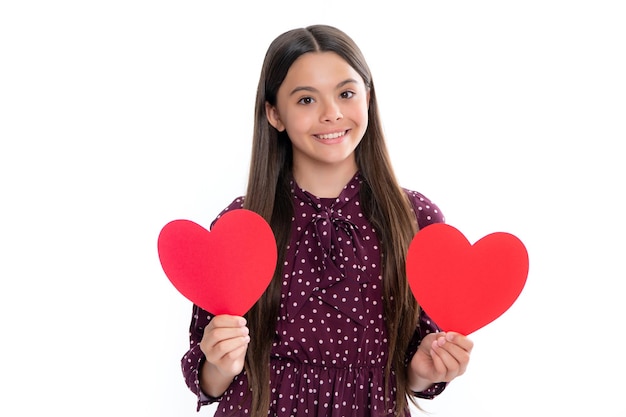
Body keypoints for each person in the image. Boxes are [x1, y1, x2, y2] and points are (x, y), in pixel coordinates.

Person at [181, 24, 473, 417]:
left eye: (346, 93)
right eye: (305, 100)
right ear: (274, 114)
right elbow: (207, 378)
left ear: (368, 98)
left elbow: (419, 361)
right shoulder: (242, 224)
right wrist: (219, 363)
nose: (332, 113)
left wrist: (424, 370)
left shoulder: (415, 219)